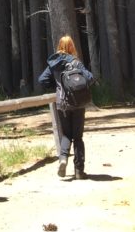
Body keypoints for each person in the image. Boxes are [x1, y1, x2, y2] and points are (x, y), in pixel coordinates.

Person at [38, 35, 94, 180]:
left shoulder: (54, 63)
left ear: (59, 46)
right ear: (71, 47)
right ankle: (79, 171)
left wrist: (56, 87)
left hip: (62, 103)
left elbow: (42, 79)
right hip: (77, 103)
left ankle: (63, 158)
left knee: (67, 135)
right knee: (78, 137)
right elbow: (90, 78)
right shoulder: (76, 62)